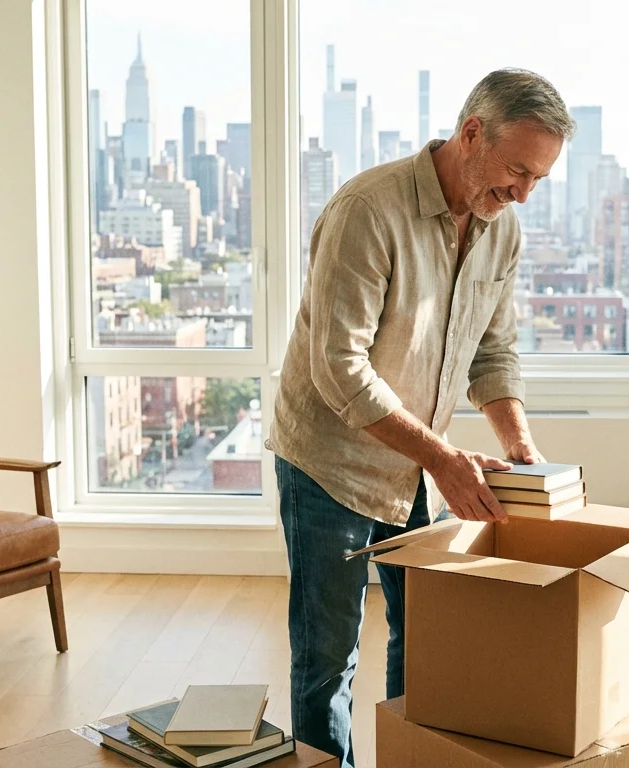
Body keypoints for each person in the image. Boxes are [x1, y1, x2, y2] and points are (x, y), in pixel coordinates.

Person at [264, 68, 574, 767]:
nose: (524, 193)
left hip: (418, 468)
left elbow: (492, 350)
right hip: (328, 466)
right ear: (471, 134)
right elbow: (338, 368)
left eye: (539, 179)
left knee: (428, 643)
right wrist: (442, 457)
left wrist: (519, 446)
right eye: (517, 171)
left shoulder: (502, 229)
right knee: (327, 661)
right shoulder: (367, 212)